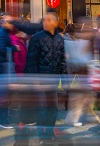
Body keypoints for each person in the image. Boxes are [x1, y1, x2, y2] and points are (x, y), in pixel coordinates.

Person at [25, 12, 67, 141]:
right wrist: (34, 79)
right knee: (42, 108)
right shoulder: (37, 38)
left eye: (49, 20)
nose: (45, 22)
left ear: (55, 23)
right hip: (41, 79)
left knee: (53, 109)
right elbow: (31, 60)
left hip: (53, 79)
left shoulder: (60, 39)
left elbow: (62, 61)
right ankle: (43, 135)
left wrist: (64, 80)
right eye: (44, 20)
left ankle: (49, 132)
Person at [63, 21, 98, 129]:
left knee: (86, 96)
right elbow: (77, 57)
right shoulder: (78, 40)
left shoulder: (85, 40)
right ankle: (72, 118)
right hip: (81, 72)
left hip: (85, 72)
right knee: (78, 97)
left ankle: (85, 116)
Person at [0, 15, 16, 128]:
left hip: (4, 65)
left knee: (5, 93)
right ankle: (2, 119)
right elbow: (2, 49)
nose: (11, 25)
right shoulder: (1, 32)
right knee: (3, 93)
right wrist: (14, 48)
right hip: (3, 66)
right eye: (9, 22)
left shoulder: (2, 32)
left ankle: (4, 118)